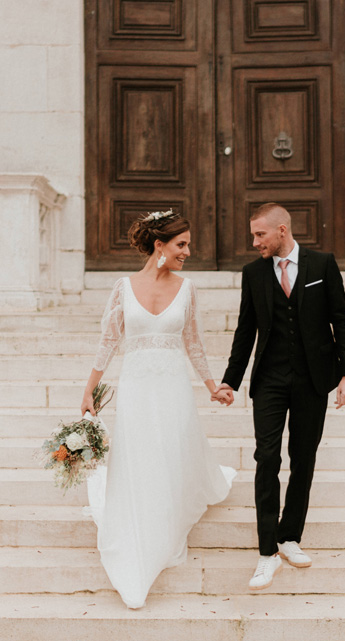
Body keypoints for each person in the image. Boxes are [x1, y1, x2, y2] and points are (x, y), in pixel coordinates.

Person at [82, 210, 236, 610]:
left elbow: (194, 343)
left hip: (172, 387)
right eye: (182, 244)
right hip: (136, 387)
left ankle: (167, 519)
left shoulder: (187, 288)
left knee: (170, 451)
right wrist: (89, 391)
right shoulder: (123, 287)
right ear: (159, 246)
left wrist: (211, 386)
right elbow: (108, 341)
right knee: (138, 454)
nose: (189, 251)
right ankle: (137, 527)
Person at [213, 203, 345, 591]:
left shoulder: (322, 264)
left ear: (281, 230)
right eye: (253, 235)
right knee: (267, 458)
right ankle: (266, 553)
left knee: (304, 457)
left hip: (313, 378)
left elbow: (339, 319)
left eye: (260, 235)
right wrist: (230, 381)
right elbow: (245, 332)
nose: (254, 242)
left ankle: (289, 537)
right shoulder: (253, 274)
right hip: (271, 380)